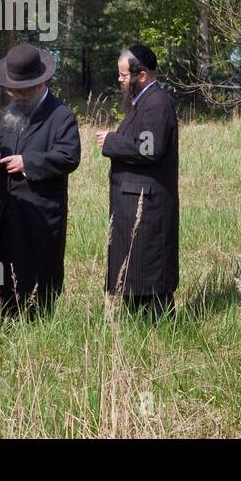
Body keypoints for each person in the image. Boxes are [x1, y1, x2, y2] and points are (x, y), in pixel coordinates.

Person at [0, 44, 81, 320]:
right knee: (2, 270)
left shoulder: (61, 115)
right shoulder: (12, 112)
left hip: (39, 213)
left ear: (40, 84)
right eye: (13, 90)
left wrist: (27, 163)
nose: (16, 96)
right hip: (7, 210)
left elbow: (69, 156)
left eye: (22, 91)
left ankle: (39, 326)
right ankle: (8, 316)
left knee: (38, 274)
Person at [96, 44, 179, 317]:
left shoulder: (157, 103)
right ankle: (140, 328)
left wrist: (111, 142)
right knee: (136, 277)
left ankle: (161, 333)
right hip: (136, 204)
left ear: (140, 75)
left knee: (151, 279)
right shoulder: (142, 102)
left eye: (123, 75)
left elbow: (149, 148)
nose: (120, 81)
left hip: (149, 207)